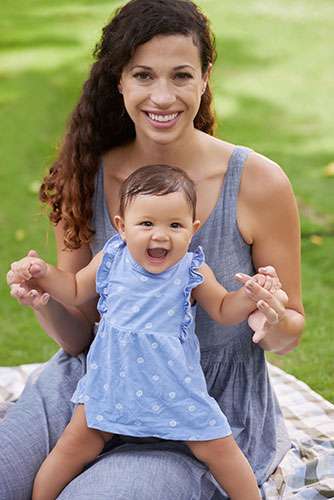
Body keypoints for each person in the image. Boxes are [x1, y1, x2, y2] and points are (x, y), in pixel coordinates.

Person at [2, 0, 304, 499]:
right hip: (97, 385)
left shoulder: (256, 182)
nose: (162, 97)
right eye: (143, 75)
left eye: (181, 75)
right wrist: (44, 301)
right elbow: (78, 336)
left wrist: (272, 324)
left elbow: (289, 330)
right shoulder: (84, 175)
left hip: (198, 405)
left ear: (206, 76)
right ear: (119, 80)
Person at [12, 164, 278, 499]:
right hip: (112, 381)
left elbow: (224, 310)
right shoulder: (112, 257)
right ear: (122, 227)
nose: (160, 235)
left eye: (175, 225)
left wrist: (249, 295)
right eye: (147, 223)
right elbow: (75, 290)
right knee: (72, 446)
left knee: (219, 448)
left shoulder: (191, 269)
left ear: (193, 229)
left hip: (173, 386)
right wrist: (42, 273)